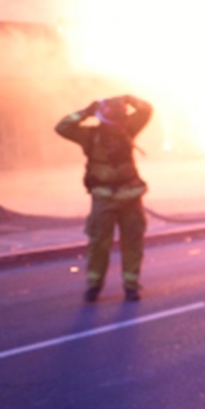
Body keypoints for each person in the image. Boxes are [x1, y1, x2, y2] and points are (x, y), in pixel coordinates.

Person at [55, 94, 152, 302]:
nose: (120, 120)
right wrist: (84, 112)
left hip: (130, 196)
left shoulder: (128, 129)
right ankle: (94, 284)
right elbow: (61, 127)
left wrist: (130, 99)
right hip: (103, 197)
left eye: (122, 114)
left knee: (132, 241)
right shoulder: (90, 136)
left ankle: (131, 284)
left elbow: (146, 110)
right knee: (99, 243)